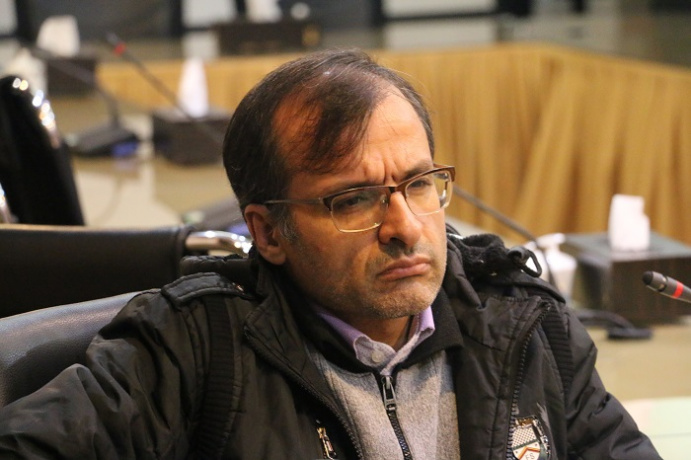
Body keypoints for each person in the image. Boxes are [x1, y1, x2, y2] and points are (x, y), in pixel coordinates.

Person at [0, 48, 660, 459]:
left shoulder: (526, 324)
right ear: (268, 233)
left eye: (419, 184)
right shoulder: (193, 349)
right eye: (353, 200)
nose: (403, 227)